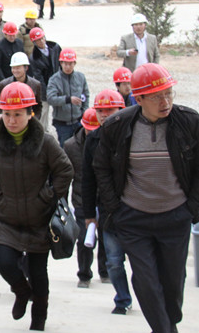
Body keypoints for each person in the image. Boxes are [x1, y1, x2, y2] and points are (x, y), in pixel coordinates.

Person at [93, 63, 199, 333]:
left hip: (175, 217)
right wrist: (115, 209)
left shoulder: (188, 121)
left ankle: (168, 324)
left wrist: (192, 208)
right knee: (146, 280)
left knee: (173, 283)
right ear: (139, 99)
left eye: (169, 94)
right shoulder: (117, 125)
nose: (165, 102)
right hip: (133, 219)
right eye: (157, 97)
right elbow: (101, 167)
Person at [0, 82, 73, 331]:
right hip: (7, 217)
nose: (11, 120)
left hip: (39, 219)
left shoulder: (46, 142)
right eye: (6, 114)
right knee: (6, 264)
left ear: (31, 113)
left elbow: (65, 171)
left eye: (17, 114)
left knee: (38, 273)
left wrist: (48, 197)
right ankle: (21, 291)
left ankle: (39, 317)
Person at [81, 93, 133, 316]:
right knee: (114, 260)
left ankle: (149, 296)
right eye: (100, 111)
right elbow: (87, 179)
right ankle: (122, 299)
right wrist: (89, 213)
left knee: (141, 261)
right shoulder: (93, 140)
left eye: (109, 110)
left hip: (135, 208)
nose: (104, 115)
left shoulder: (133, 135)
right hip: (108, 210)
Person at [64, 104, 110, 290]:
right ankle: (84, 274)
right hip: (82, 198)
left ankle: (105, 271)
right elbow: (65, 174)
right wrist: (62, 201)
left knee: (106, 237)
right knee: (84, 239)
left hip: (105, 198)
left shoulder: (108, 142)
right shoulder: (70, 146)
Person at [47, 48, 89, 147]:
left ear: (75, 63)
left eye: (70, 64)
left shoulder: (81, 77)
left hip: (78, 121)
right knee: (65, 148)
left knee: (80, 147)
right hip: (62, 124)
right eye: (65, 64)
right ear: (61, 63)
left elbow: (86, 95)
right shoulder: (54, 80)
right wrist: (68, 99)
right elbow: (50, 99)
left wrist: (84, 112)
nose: (68, 67)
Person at [29, 28, 62, 131]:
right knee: (44, 111)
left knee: (61, 108)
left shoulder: (55, 47)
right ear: (34, 42)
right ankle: (43, 131)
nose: (41, 41)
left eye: (42, 38)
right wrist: (46, 91)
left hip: (59, 83)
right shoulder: (34, 58)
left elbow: (62, 64)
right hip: (45, 86)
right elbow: (39, 77)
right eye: (38, 40)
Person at [0, 52, 42, 120]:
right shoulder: (4, 84)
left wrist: (34, 120)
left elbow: (38, 106)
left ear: (26, 68)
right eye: (13, 68)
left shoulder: (35, 84)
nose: (15, 71)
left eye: (18, 68)